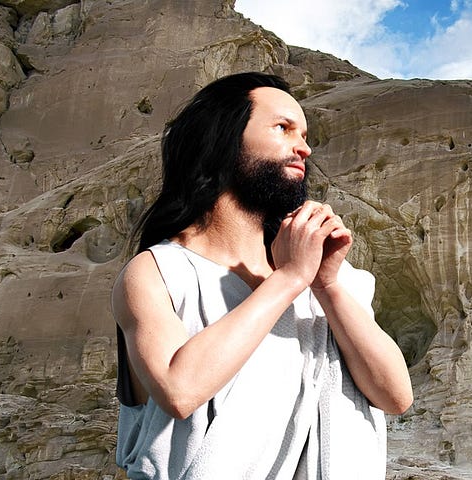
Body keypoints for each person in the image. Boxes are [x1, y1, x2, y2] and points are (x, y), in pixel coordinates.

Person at [111, 72, 412, 479]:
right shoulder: (159, 272)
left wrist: (325, 286)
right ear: (222, 139)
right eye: (283, 128)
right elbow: (178, 391)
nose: (303, 147)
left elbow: (395, 396)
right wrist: (288, 279)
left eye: (304, 134)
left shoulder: (325, 283)